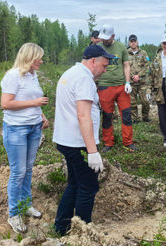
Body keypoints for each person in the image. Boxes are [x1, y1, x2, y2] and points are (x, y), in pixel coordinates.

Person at [52, 45, 113, 236]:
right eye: (104, 65)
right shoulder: (84, 78)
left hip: (66, 140)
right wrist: (92, 151)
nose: (104, 70)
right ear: (93, 60)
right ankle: (84, 231)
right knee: (88, 186)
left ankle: (61, 227)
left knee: (75, 184)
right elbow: (83, 116)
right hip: (78, 142)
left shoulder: (71, 73)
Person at [0, 43, 49, 233]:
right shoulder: (13, 76)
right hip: (16, 129)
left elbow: (34, 100)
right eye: (39, 58)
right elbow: (6, 103)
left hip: (34, 127)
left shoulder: (32, 75)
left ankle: (25, 204)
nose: (41, 61)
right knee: (18, 171)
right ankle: (14, 214)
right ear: (29, 58)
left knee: (28, 168)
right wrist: (34, 102)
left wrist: (41, 115)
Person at [97, 24, 137, 152]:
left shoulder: (120, 47)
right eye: (102, 38)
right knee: (107, 116)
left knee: (126, 115)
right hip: (104, 86)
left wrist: (127, 82)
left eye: (107, 38)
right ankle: (108, 142)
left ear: (113, 36)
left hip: (121, 87)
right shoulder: (97, 48)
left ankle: (128, 142)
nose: (104, 41)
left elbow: (126, 65)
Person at [127, 34, 151, 123]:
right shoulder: (126, 53)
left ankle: (145, 117)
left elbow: (147, 66)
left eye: (135, 41)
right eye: (131, 41)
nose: (133, 43)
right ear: (129, 43)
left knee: (145, 101)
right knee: (132, 102)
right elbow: (124, 67)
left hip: (142, 82)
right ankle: (134, 119)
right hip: (131, 82)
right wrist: (131, 77)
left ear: (137, 42)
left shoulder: (143, 53)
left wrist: (139, 76)